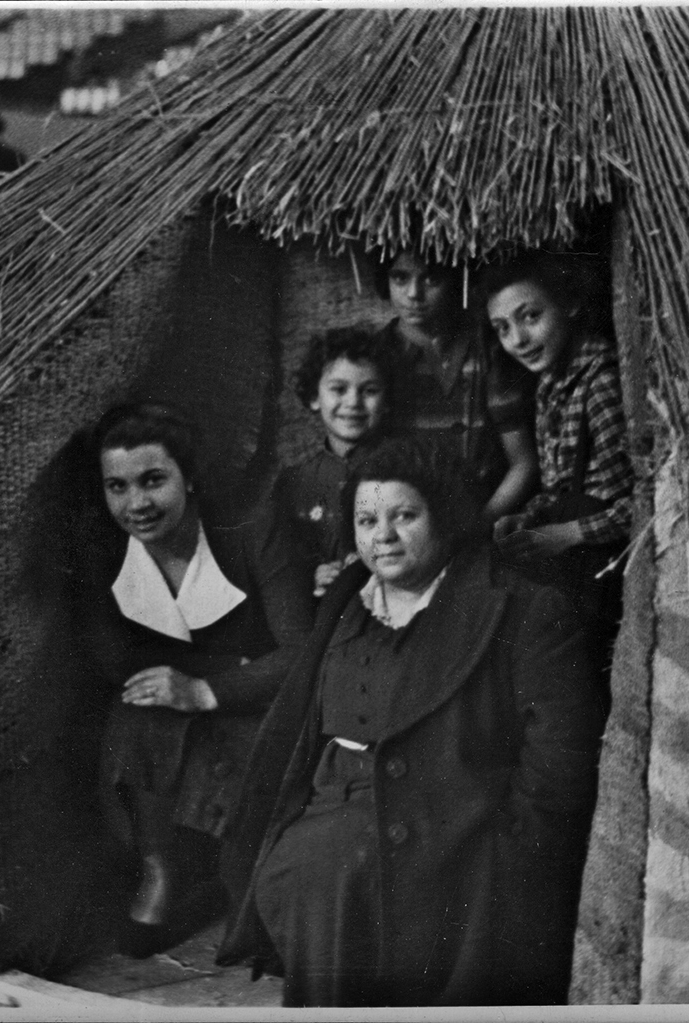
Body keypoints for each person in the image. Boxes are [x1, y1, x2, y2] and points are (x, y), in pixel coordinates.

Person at [217, 435, 605, 1006]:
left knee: (352, 880)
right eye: (367, 520)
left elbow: (561, 753)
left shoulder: (518, 605)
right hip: (332, 810)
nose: (384, 537)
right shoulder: (348, 599)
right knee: (312, 873)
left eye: (405, 516)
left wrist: (510, 841)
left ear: (444, 517)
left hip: (457, 823)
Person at [78, 403, 314, 957]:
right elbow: (110, 655)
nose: (136, 503)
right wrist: (194, 676)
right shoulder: (102, 549)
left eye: (153, 480)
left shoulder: (250, 531)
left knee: (240, 736)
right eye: (117, 486)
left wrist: (206, 689)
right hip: (185, 694)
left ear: (190, 477)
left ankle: (242, 884)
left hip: (260, 701)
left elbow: (300, 653)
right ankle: (160, 869)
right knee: (136, 709)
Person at [483, 252, 634, 637]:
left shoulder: (601, 383)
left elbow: (644, 505)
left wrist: (565, 534)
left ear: (569, 303)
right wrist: (529, 517)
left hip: (612, 568)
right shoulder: (550, 385)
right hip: (576, 560)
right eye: (502, 328)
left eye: (530, 316)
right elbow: (559, 490)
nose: (517, 340)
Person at [378, 252, 539, 527]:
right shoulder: (378, 354)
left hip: (483, 515)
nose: (414, 294)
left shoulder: (487, 346)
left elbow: (523, 464)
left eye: (431, 279)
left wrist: (478, 525)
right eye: (400, 278)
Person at [271, 324, 395, 596]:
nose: (353, 402)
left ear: (386, 401)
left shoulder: (405, 468)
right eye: (339, 389)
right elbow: (285, 560)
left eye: (369, 390)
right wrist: (313, 574)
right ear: (315, 397)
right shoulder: (294, 483)